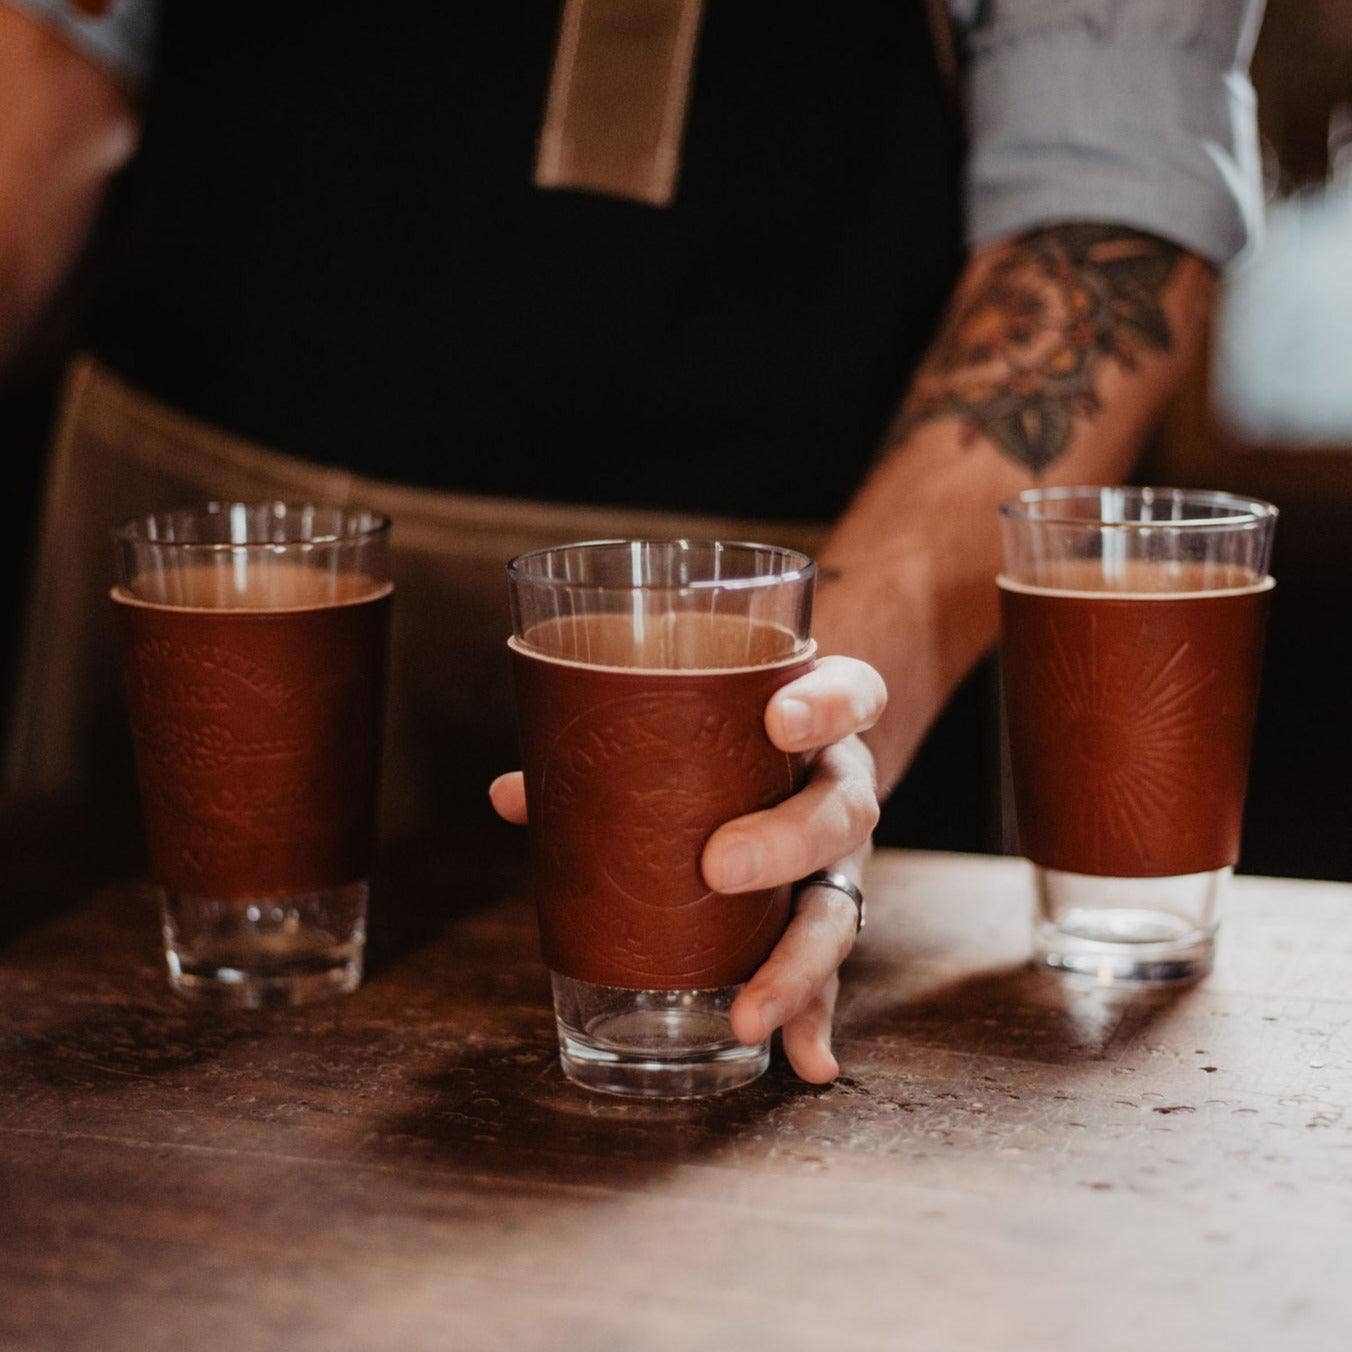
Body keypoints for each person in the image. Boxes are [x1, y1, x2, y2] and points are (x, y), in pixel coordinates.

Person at [0, 1, 1263, 1082]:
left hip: (771, 624)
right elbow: (52, 57)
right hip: (208, 595)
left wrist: (811, 713)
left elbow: (1102, 217)